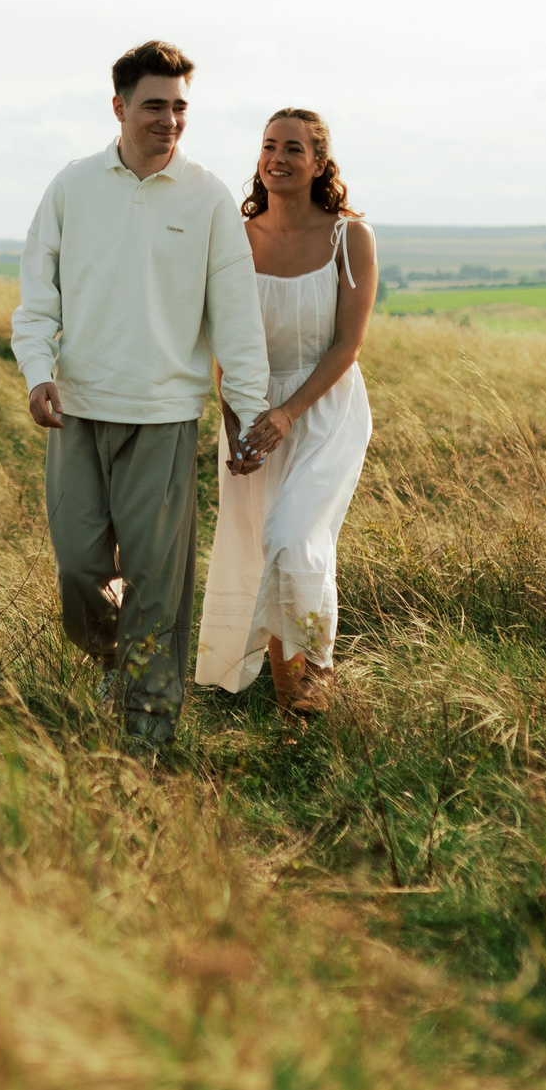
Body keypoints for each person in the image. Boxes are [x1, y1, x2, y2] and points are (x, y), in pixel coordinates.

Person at [11, 41, 271, 758]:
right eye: (156, 105)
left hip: (163, 419)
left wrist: (245, 414)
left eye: (181, 106)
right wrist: (38, 372)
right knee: (80, 572)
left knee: (159, 586)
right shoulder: (71, 187)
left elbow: (238, 321)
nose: (170, 119)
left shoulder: (209, 197)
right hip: (79, 410)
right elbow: (37, 301)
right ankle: (113, 659)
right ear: (120, 106)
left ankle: (147, 738)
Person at [194, 108, 376, 717]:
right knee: (259, 549)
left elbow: (347, 346)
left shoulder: (350, 237)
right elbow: (226, 343)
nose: (277, 157)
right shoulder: (237, 239)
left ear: (319, 163)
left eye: (293, 148)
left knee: (294, 540)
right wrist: (237, 427)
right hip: (250, 410)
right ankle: (289, 708)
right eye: (268, 145)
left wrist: (289, 414)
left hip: (324, 410)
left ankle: (313, 685)